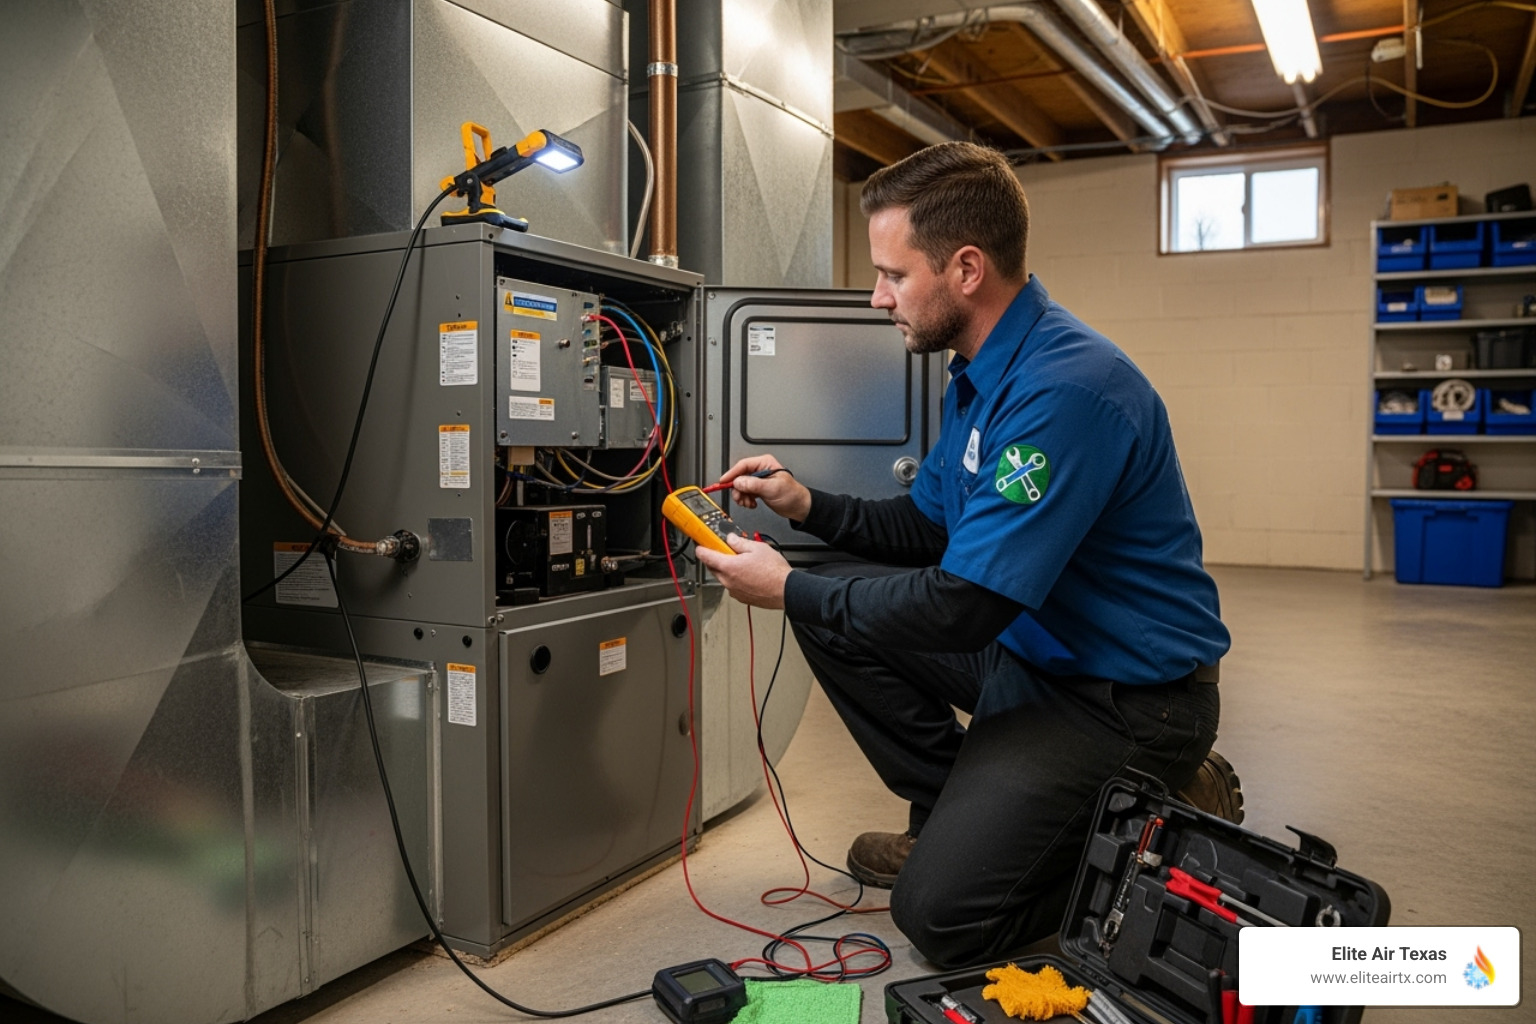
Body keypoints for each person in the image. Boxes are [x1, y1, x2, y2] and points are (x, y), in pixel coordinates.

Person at [693, 141, 1240, 970]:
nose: (878, 298)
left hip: (1127, 699)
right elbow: (926, 527)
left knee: (942, 919)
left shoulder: (1067, 390)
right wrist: (807, 503)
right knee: (836, 603)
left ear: (967, 269)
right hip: (1035, 653)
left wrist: (788, 590)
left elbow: (965, 605)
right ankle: (962, 816)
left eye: (893, 274)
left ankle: (1158, 817)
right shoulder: (979, 373)